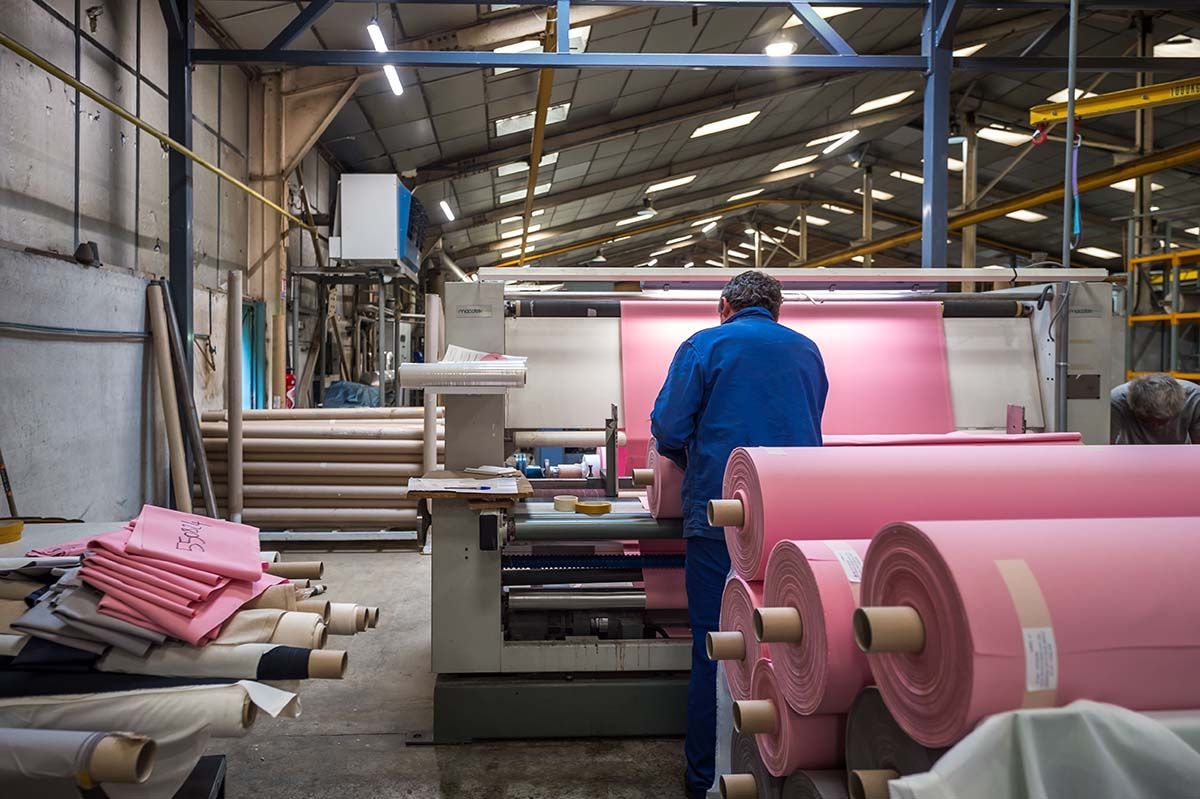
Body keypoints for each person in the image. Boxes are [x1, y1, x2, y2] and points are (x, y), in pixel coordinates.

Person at [649, 271, 829, 799]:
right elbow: (810, 418)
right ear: (778, 309)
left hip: (721, 515)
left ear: (724, 305)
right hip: (796, 513)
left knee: (719, 644)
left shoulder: (704, 345)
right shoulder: (807, 350)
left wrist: (693, 458)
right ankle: (780, 766)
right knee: (788, 642)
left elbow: (667, 427)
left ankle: (707, 779)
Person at [1110, 373, 1200, 444]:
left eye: (1162, 421)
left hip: (1178, 455)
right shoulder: (1116, 401)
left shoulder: (1195, 398)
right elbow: (1106, 444)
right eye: (1145, 420)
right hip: (1130, 455)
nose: (1155, 426)